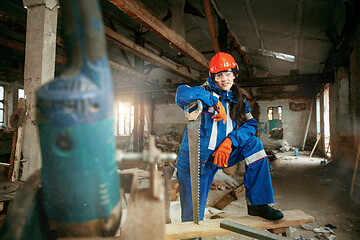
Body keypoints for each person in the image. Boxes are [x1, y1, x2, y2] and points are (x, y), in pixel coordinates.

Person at [175, 52, 283, 222]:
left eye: (228, 74)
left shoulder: (238, 100)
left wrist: (230, 141)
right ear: (213, 77)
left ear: (234, 75)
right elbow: (181, 94)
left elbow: (251, 124)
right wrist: (213, 101)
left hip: (220, 156)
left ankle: (258, 203)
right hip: (195, 162)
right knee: (194, 215)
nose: (224, 79)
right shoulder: (201, 92)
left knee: (254, 144)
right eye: (219, 75)